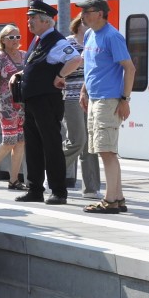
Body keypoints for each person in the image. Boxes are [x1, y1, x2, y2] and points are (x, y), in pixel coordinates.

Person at [16, 0, 83, 205]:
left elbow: (76, 59)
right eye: (29, 18)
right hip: (33, 101)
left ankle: (58, 191)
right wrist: (19, 74)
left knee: (51, 145)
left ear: (45, 21)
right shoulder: (39, 41)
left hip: (47, 100)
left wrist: (60, 76)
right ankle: (35, 188)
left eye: (33, 18)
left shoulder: (56, 41)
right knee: (34, 146)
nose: (29, 22)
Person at [78, 0, 136, 214]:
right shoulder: (91, 34)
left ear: (100, 13)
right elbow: (91, 67)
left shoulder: (112, 36)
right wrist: (84, 90)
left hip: (108, 100)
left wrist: (125, 99)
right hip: (94, 99)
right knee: (104, 149)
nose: (82, 15)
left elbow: (129, 68)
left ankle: (110, 201)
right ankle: (118, 197)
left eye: (87, 11)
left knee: (106, 151)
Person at [62, 14, 101, 199]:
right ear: (79, 25)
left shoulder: (95, 42)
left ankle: (91, 188)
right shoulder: (68, 43)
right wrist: (82, 59)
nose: (91, 28)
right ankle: (54, 171)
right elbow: (65, 67)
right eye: (87, 24)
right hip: (71, 95)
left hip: (92, 96)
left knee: (91, 143)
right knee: (77, 140)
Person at [0, 24, 26, 190]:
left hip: (23, 105)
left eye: (17, 37)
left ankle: (14, 180)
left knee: (20, 142)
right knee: (9, 141)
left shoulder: (24, 55)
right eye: (11, 37)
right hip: (7, 105)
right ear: (3, 40)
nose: (15, 40)